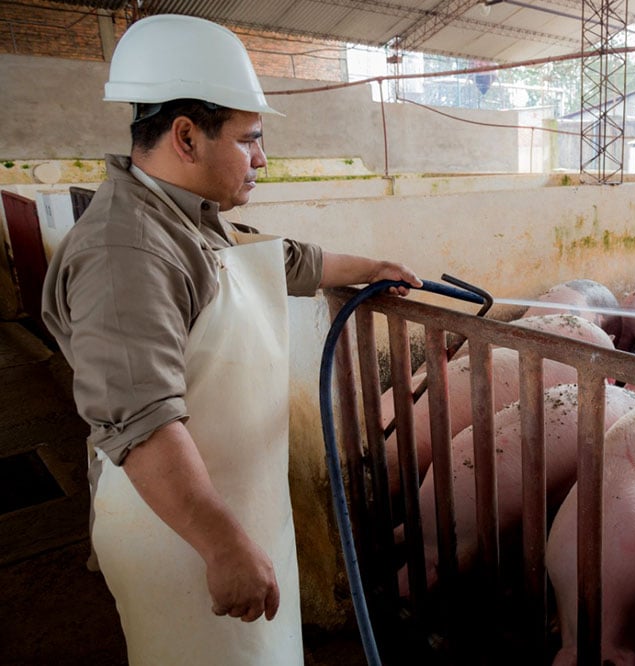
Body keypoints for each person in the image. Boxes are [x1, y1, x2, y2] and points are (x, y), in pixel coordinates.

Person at [40, 14, 420, 665]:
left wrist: (367, 270)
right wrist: (220, 543)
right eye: (250, 140)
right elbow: (139, 417)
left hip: (233, 512)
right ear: (187, 136)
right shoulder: (125, 251)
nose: (262, 159)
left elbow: (276, 259)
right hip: (184, 540)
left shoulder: (182, 217)